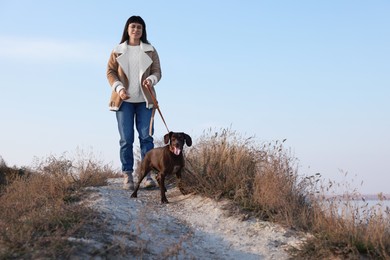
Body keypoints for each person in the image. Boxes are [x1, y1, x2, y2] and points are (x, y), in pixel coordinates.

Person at [106, 15, 162, 189]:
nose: (136, 30)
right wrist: (119, 88)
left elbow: (157, 71)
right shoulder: (117, 50)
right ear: (127, 29)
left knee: (146, 138)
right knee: (126, 139)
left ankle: (147, 176)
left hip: (145, 101)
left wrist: (151, 80)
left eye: (139, 27)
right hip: (124, 102)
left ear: (143, 30)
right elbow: (110, 72)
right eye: (133, 27)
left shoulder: (150, 50)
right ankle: (127, 174)